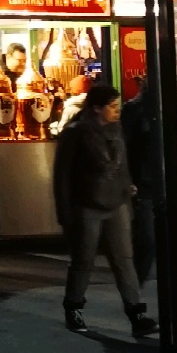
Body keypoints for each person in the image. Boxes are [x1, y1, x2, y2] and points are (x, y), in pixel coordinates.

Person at [54, 81, 158, 338]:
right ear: (97, 108)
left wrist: (127, 188)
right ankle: (74, 308)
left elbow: (122, 166)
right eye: (111, 106)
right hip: (87, 205)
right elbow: (62, 176)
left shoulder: (117, 130)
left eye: (117, 105)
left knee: (124, 259)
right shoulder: (76, 133)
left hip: (117, 203)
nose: (116, 110)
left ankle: (136, 312)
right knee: (83, 260)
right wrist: (65, 212)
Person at [121, 81, 163, 286]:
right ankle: (135, 286)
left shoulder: (139, 109)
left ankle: (136, 285)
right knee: (146, 239)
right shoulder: (135, 110)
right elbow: (126, 148)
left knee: (148, 239)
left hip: (152, 179)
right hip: (144, 181)